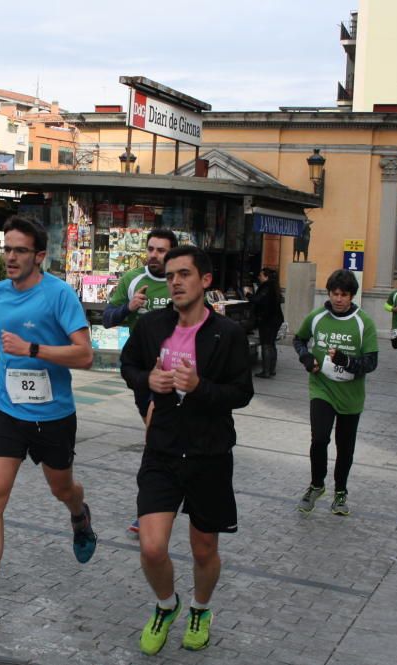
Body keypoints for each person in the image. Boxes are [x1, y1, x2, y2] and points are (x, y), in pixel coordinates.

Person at [0, 216, 97, 628]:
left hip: (52, 415)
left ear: (38, 256)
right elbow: (4, 331)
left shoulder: (60, 295)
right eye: (7, 249)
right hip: (6, 409)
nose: (10, 257)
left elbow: (84, 355)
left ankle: (79, 514)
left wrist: (34, 349)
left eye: (19, 251)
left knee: (61, 487)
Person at [120, 245, 253, 655]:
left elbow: (242, 392)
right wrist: (148, 381)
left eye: (184, 274)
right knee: (152, 545)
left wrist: (200, 388)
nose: (175, 281)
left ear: (205, 281)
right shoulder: (152, 326)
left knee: (204, 549)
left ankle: (200, 607)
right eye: (171, 274)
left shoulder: (227, 334)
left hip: (208, 454)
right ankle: (166, 605)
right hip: (161, 450)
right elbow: (128, 365)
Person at [103, 228, 179, 539]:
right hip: (142, 373)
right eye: (151, 248)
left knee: (157, 435)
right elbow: (107, 318)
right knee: (161, 436)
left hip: (177, 372)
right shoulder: (132, 279)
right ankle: (162, 497)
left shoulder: (179, 279)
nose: (154, 255)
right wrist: (129, 308)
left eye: (161, 250)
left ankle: (148, 509)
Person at [293, 269, 378, 517]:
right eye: (334, 294)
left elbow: (371, 363)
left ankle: (340, 492)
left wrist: (346, 361)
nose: (338, 299)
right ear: (328, 293)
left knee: (345, 446)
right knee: (319, 438)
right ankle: (316, 485)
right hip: (322, 388)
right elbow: (299, 340)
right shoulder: (318, 316)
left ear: (352, 296)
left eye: (344, 295)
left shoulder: (364, 323)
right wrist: (306, 358)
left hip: (350, 395)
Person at [249, 267, 285, 378]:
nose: (259, 277)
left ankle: (266, 371)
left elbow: (258, 300)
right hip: (275, 319)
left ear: (266, 276)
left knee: (266, 344)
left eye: (261, 275)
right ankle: (271, 369)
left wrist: (248, 294)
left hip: (268, 320)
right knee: (271, 344)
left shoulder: (266, 287)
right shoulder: (274, 286)